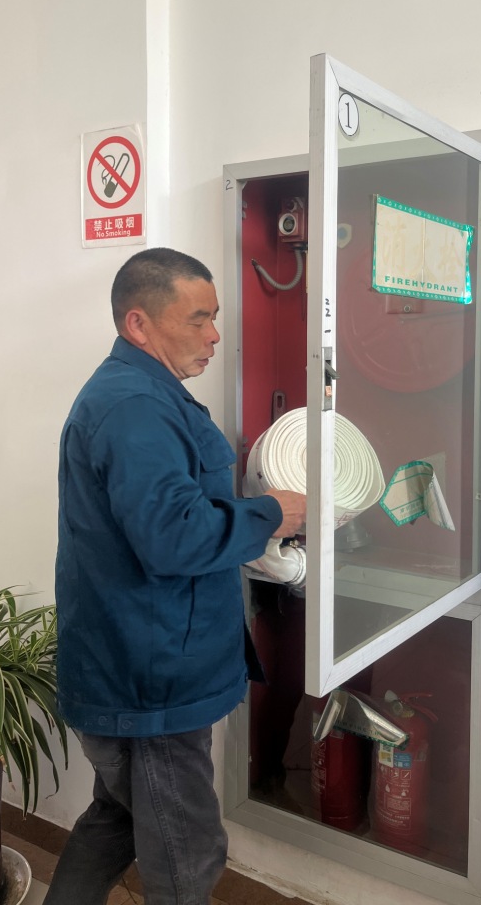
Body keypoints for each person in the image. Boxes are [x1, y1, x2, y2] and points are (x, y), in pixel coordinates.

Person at [43, 248, 307, 905]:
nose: (215, 335)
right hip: (152, 682)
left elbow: (170, 516)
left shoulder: (143, 395)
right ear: (139, 324)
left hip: (136, 665)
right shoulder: (133, 407)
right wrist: (272, 513)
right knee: (186, 856)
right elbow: (173, 536)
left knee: (116, 820)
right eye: (198, 319)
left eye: (214, 318)